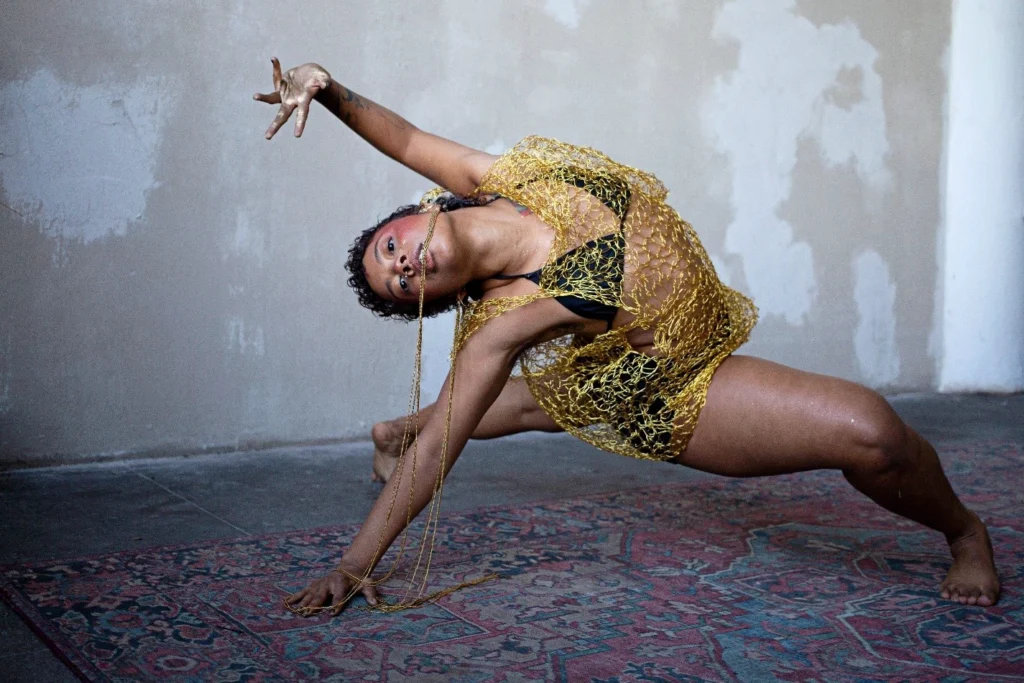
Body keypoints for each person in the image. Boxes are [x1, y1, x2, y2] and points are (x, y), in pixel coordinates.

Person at [253, 59, 1000, 615]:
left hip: (665, 339)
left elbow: (408, 135)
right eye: (402, 286)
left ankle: (392, 431)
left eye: (391, 250)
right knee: (870, 431)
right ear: (434, 302)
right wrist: (353, 564)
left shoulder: (499, 178)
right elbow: (443, 450)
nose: (405, 266)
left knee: (550, 399)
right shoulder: (495, 329)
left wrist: (329, 88)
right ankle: (966, 533)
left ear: (409, 217)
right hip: (678, 389)